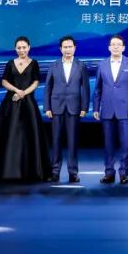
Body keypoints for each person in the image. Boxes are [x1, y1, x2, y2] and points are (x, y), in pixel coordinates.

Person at [0, 36, 51, 182]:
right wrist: (17, 91)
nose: (21, 50)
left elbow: (36, 82)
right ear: (15, 49)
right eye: (19, 48)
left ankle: (31, 172)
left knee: (30, 135)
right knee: (8, 134)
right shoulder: (10, 63)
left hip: (28, 103)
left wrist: (23, 93)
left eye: (24, 47)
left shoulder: (34, 63)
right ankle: (7, 170)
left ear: (29, 47)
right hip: (11, 102)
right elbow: (4, 81)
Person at [92, 34, 128, 184]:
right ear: (109, 47)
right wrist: (95, 108)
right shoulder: (102, 64)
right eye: (113, 44)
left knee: (125, 144)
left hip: (125, 110)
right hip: (106, 109)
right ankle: (109, 172)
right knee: (108, 144)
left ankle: (124, 173)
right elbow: (98, 88)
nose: (115, 47)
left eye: (118, 44)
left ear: (123, 47)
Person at [44, 35, 90, 183]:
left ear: (75, 48)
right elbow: (48, 87)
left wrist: (84, 107)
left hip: (74, 107)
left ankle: (73, 172)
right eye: (65, 47)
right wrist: (47, 107)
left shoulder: (81, 65)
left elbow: (86, 88)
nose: (68, 49)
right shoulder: (54, 65)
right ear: (60, 49)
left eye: (70, 47)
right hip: (56, 107)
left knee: (72, 142)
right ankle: (55, 171)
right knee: (56, 141)